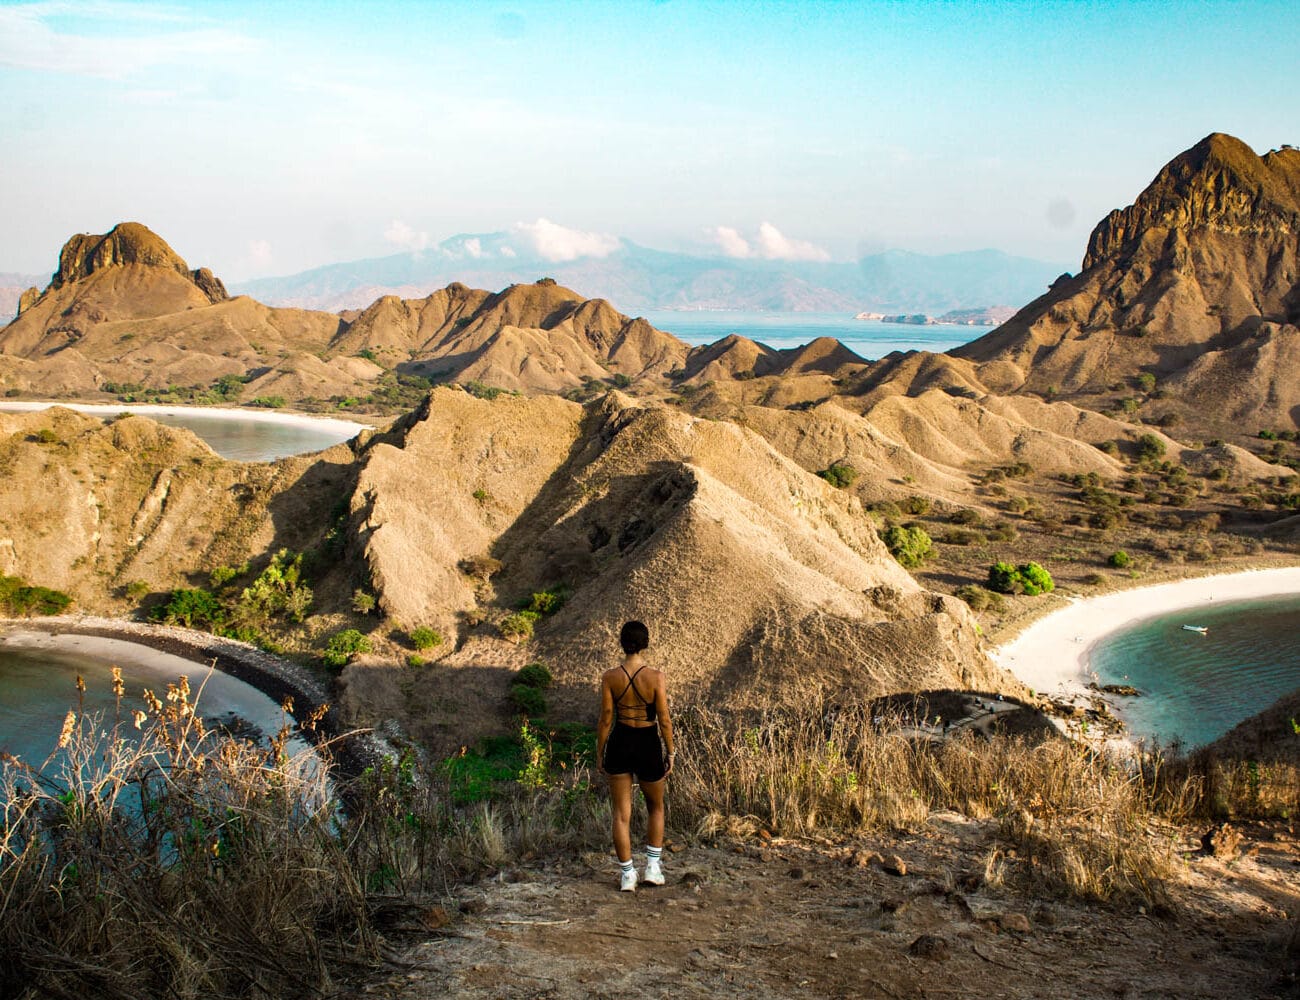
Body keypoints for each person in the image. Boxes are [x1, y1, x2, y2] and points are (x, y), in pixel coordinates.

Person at [596, 620, 674, 891]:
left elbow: (606, 718)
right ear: (645, 642)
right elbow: (664, 718)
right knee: (656, 807)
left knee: (620, 814)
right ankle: (652, 868)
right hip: (647, 741)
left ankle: (627, 874)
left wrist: (600, 751)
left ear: (622, 642)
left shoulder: (610, 677)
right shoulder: (656, 677)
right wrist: (671, 752)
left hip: (620, 740)